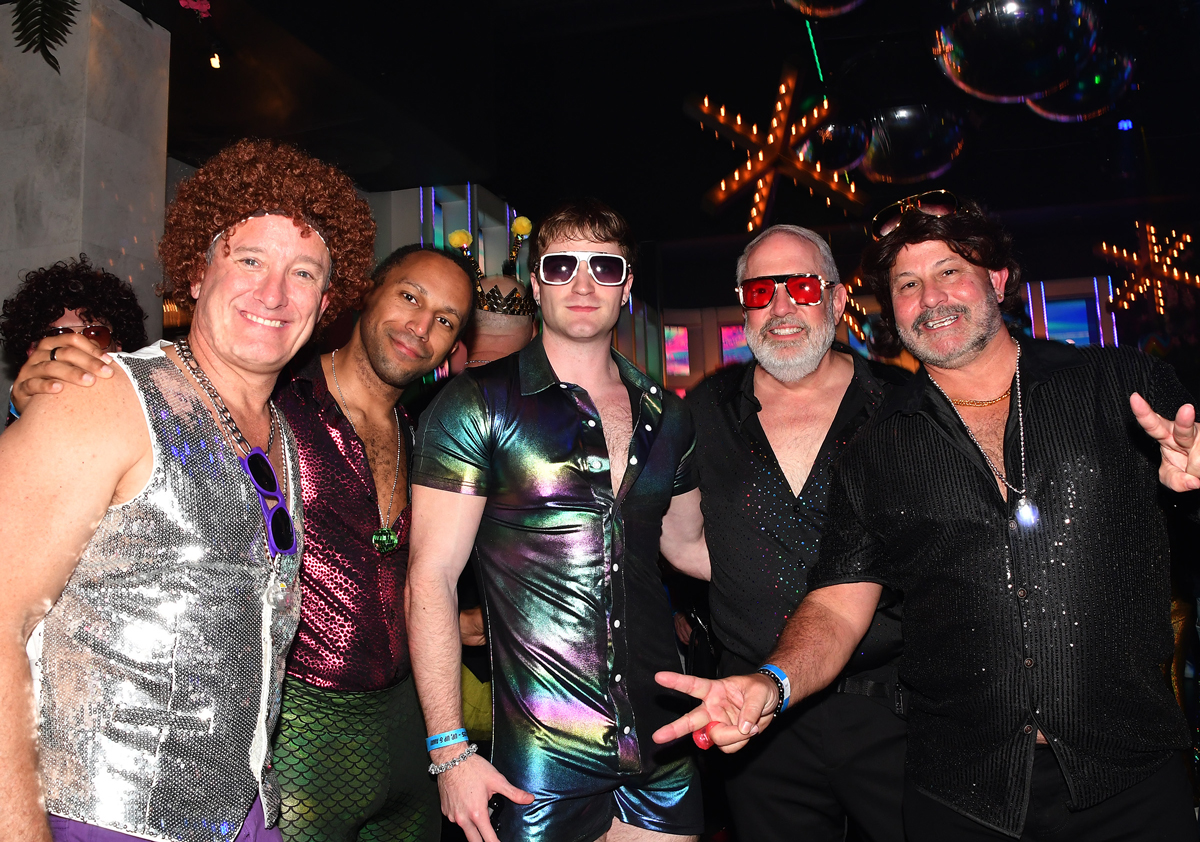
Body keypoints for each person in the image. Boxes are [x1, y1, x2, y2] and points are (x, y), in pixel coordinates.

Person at [654, 194, 1200, 841]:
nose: (931, 297)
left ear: (998, 278)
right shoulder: (878, 445)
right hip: (961, 793)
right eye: (907, 284)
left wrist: (1190, 491)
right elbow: (837, 604)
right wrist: (770, 685)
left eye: (950, 271)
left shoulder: (1121, 387)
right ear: (890, 306)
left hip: (1129, 779)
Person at [9, 242, 479, 842]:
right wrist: (41, 406)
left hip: (374, 741)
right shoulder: (275, 395)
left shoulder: (424, 433)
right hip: (279, 743)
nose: (421, 325)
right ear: (362, 296)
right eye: (409, 297)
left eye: (446, 320)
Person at [0, 138, 376, 842]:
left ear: (326, 303)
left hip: (246, 816)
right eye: (250, 260)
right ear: (198, 275)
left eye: (302, 273)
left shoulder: (286, 437)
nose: (273, 294)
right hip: (102, 820)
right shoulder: (103, 400)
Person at [405, 198, 708, 842]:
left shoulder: (669, 414)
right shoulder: (476, 403)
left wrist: (818, 576)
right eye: (562, 265)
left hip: (663, 738)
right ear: (537, 283)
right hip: (538, 758)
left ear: (627, 286)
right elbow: (431, 576)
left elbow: (690, 548)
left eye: (604, 267)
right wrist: (450, 750)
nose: (583, 283)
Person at [677, 224, 908, 842]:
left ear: (837, 299)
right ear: (743, 305)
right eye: (761, 291)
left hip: (898, 709)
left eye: (802, 286)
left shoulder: (903, 407)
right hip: (753, 718)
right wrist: (743, 568)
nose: (780, 307)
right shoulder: (702, 413)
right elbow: (680, 541)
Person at [2, 253, 148, 423]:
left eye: (96, 334)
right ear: (32, 350)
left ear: (118, 344)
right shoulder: (24, 408)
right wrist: (23, 413)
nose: (78, 347)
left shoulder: (145, 407)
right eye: (59, 336)